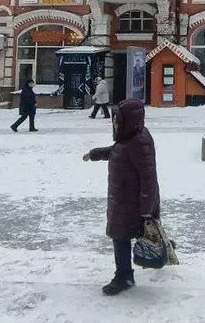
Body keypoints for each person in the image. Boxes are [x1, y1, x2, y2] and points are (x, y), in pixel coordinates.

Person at [82, 99, 160, 296]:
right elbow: (116, 151)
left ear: (129, 120)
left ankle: (124, 276)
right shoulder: (129, 138)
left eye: (118, 119)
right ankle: (162, 249)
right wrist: (95, 154)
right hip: (123, 198)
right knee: (132, 233)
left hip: (131, 202)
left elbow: (149, 179)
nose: (115, 123)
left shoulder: (139, 142)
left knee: (121, 236)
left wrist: (147, 209)